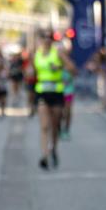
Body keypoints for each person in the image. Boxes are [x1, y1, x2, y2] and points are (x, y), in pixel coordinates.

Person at [32, 30, 76, 170]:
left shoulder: (58, 53)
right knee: (44, 126)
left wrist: (60, 67)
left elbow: (72, 68)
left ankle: (54, 149)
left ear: (52, 40)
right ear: (40, 40)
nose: (46, 40)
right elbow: (33, 72)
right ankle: (44, 156)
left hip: (57, 92)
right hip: (42, 93)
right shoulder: (36, 54)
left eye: (49, 38)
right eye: (44, 37)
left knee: (55, 126)